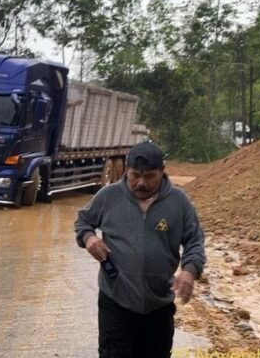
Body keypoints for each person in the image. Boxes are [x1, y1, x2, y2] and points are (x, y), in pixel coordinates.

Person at [74, 141, 206, 358]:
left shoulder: (178, 202)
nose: (141, 183)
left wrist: (189, 271)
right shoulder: (109, 196)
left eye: (150, 176)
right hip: (115, 302)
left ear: (162, 172)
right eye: (135, 175)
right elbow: (83, 221)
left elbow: (194, 241)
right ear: (126, 169)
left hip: (158, 306)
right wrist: (89, 238)